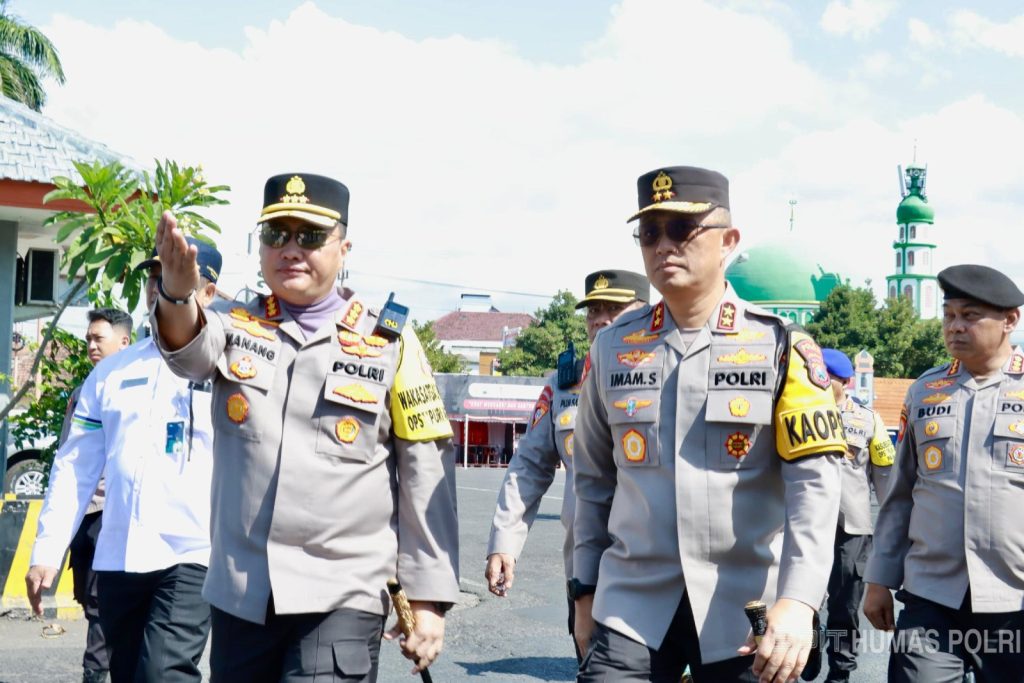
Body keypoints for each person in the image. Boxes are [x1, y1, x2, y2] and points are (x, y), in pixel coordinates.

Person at [150, 173, 460, 682]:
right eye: (277, 235)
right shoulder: (233, 322)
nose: (291, 249)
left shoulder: (391, 342)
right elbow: (186, 351)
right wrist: (177, 294)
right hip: (244, 590)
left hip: (341, 592)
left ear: (344, 248)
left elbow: (425, 469)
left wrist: (427, 599)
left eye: (310, 236)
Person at [572, 166, 845, 682]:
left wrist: (799, 601)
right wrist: (583, 590)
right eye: (649, 232)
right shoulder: (611, 348)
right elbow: (591, 482)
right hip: (632, 604)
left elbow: (814, 488)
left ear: (729, 242)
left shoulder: (782, 346)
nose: (663, 245)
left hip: (746, 611)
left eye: (682, 229)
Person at [27, 242, 221, 682]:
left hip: (191, 552)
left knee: (163, 672)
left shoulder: (223, 367)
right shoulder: (110, 374)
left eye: (175, 279)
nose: (159, 289)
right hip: (119, 556)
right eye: (155, 279)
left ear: (207, 294)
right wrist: (47, 551)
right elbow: (75, 466)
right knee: (126, 673)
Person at [863, 264, 1024, 683]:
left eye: (970, 316)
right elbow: (900, 495)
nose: (955, 326)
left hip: (1015, 598)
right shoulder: (925, 391)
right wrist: (879, 578)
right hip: (932, 594)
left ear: (1010, 320)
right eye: (949, 315)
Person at [485, 269, 650, 661]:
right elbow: (529, 466)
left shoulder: (670, 376)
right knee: (593, 666)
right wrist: (505, 541)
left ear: (646, 312)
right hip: (585, 567)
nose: (601, 320)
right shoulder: (563, 385)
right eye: (594, 311)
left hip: (654, 568)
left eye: (614, 309)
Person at [59, 308, 133, 683]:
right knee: (89, 602)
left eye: (98, 338)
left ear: (124, 342)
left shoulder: (135, 390)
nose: (91, 345)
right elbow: (68, 454)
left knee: (102, 603)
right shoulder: (82, 391)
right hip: (86, 514)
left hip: (114, 514)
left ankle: (96, 673)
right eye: (88, 338)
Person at [819, 348, 894, 683]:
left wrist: (892, 540)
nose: (817, 381)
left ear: (846, 382)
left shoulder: (869, 420)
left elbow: (887, 483)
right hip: (800, 525)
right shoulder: (793, 413)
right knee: (798, 598)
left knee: (844, 608)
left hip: (851, 528)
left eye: (826, 377)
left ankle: (840, 672)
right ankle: (807, 645)